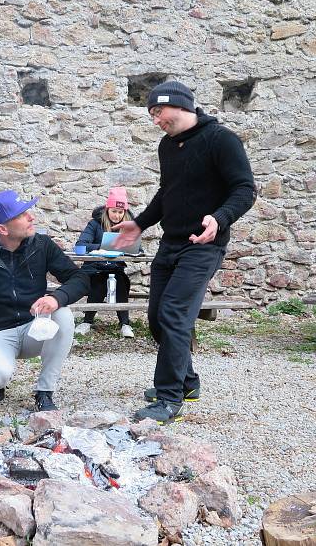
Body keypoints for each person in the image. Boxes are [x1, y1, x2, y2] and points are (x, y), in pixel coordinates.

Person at [114, 81, 256, 424]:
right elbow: (168, 192)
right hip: (170, 243)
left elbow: (245, 189)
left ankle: (168, 398)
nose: (155, 121)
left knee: (175, 315)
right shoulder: (168, 146)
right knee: (156, 318)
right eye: (151, 115)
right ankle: (187, 382)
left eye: (157, 112)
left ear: (178, 105)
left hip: (203, 246)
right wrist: (141, 223)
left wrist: (220, 219)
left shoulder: (222, 140)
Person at [0, 190, 90, 412]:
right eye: (22, 215)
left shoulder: (42, 244)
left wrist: (56, 298)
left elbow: (80, 278)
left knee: (63, 314)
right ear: (2, 229)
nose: (31, 217)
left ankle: (45, 391)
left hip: (35, 327)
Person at [74, 186, 135, 338]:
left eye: (120, 212)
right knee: (99, 280)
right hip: (94, 268)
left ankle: (125, 324)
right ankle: (87, 321)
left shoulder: (128, 226)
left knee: (120, 281)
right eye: (114, 211)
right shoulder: (95, 224)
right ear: (107, 209)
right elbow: (81, 244)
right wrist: (105, 247)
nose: (117, 215)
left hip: (115, 268)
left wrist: (133, 248)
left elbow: (136, 247)